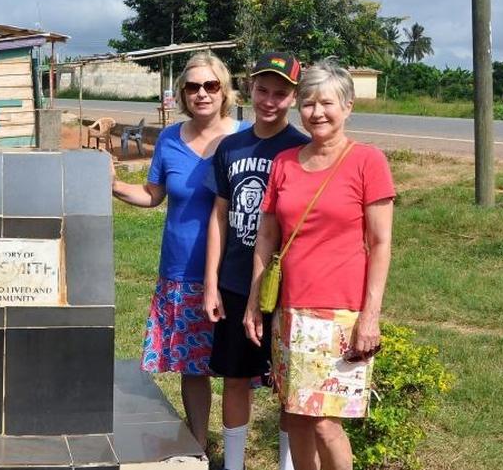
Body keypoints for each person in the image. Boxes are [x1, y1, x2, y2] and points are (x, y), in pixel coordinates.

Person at [244, 60, 395, 470]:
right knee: (295, 416)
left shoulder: (368, 162)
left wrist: (370, 316)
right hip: (290, 312)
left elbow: (380, 243)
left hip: (341, 314)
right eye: (308, 103)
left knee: (327, 421)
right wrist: (255, 302)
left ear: (347, 107)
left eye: (327, 103)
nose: (317, 112)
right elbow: (268, 237)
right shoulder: (285, 163)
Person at [112, 52, 248, 448]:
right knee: (195, 367)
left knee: (237, 371)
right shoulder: (171, 139)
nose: (202, 94)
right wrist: (115, 184)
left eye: (210, 85)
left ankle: (236, 449)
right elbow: (154, 194)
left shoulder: (246, 137)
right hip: (182, 270)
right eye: (192, 87)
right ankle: (199, 446)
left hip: (235, 273)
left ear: (224, 90)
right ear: (182, 93)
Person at [203, 53, 308, 470]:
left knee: (287, 383)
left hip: (284, 285)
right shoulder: (231, 147)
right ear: (250, 87)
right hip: (233, 279)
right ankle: (233, 464)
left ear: (294, 97)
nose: (269, 100)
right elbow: (219, 216)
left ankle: (286, 464)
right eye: (263, 90)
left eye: (280, 93)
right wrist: (211, 281)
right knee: (235, 376)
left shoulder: (301, 149)